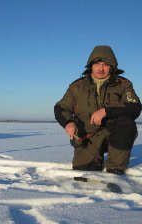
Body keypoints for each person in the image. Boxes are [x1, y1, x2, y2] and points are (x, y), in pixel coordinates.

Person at [54, 45, 141, 175]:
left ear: (112, 67)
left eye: (105, 64)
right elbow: (61, 107)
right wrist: (68, 122)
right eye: (97, 64)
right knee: (83, 174)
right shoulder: (77, 86)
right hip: (87, 137)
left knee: (126, 123)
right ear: (91, 66)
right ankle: (95, 158)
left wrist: (107, 111)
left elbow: (135, 107)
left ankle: (115, 169)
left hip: (113, 134)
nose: (101, 68)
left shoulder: (123, 84)